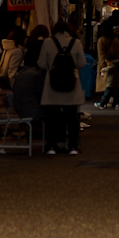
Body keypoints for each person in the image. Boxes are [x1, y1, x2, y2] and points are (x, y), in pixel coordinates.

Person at [37, 20, 87, 155]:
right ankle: (73, 147)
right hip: (71, 85)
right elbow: (82, 63)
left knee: (52, 117)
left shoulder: (48, 42)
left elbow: (41, 63)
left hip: (52, 84)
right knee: (72, 117)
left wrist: (51, 67)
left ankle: (51, 146)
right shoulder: (75, 42)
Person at [9, 36, 46, 149]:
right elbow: (43, 96)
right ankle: (57, 142)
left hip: (21, 108)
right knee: (56, 113)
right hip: (31, 111)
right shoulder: (34, 76)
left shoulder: (22, 73)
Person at [95, 25, 119, 108]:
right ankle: (112, 101)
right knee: (113, 86)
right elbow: (118, 53)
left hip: (105, 64)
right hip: (114, 65)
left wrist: (104, 66)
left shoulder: (101, 40)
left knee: (107, 86)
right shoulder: (115, 40)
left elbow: (101, 54)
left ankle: (104, 102)